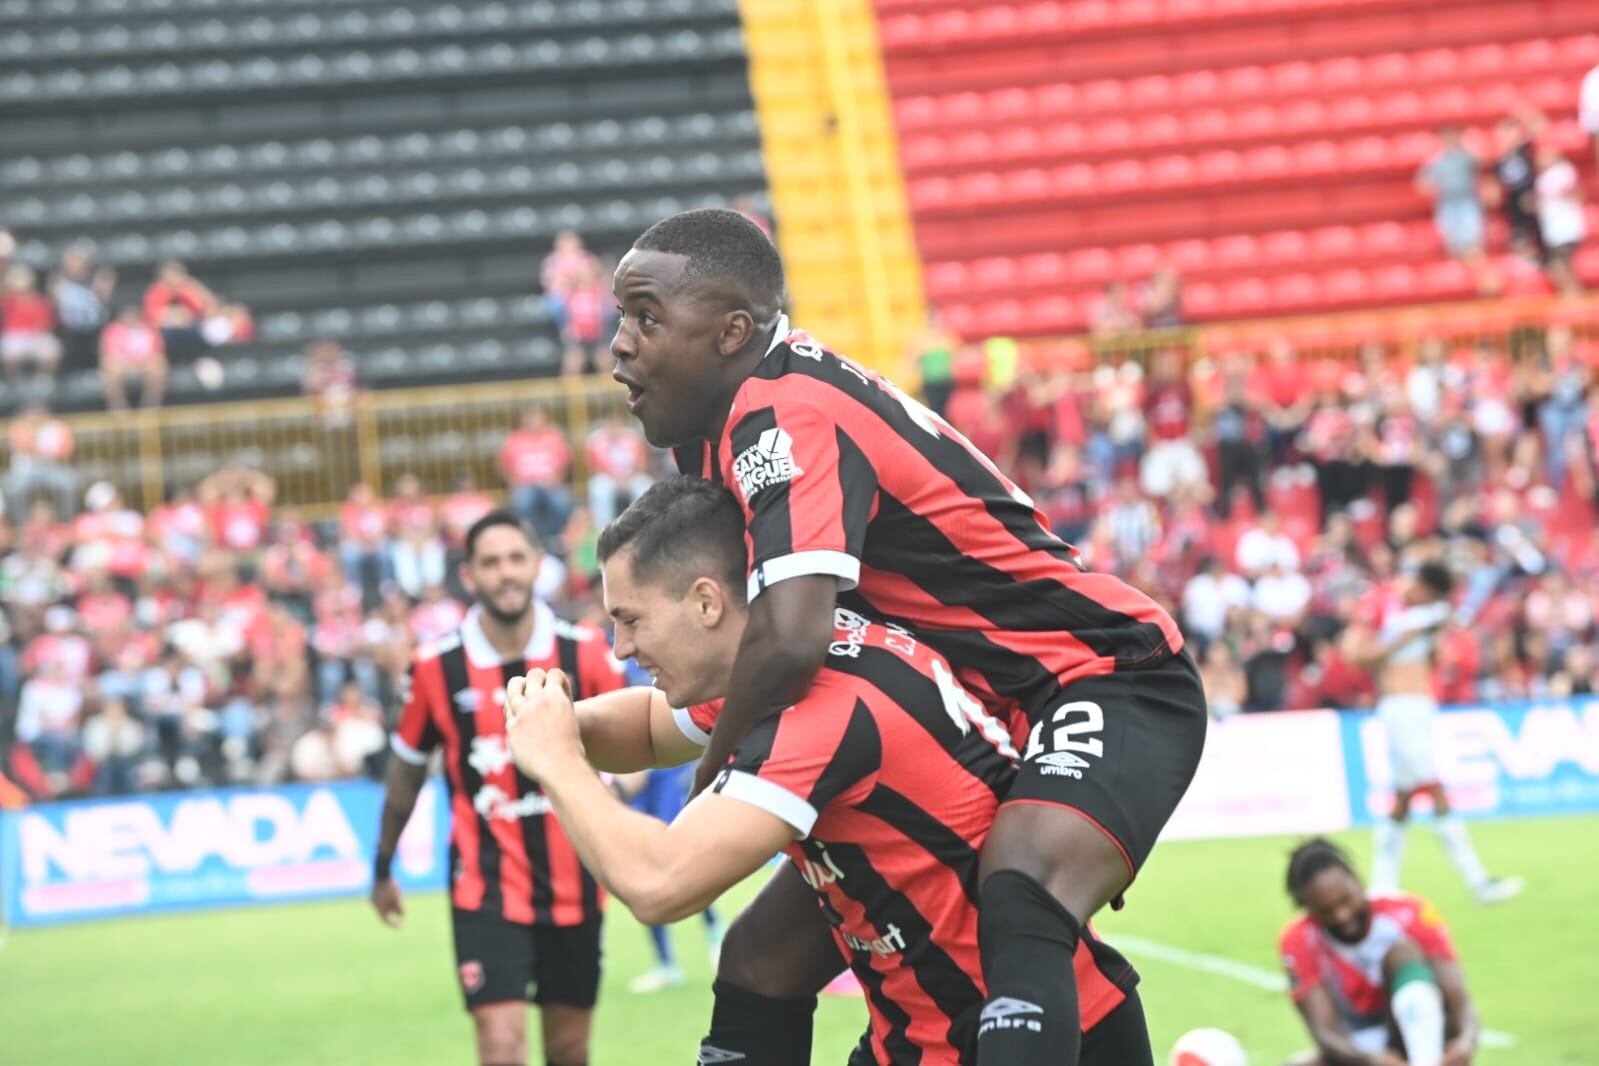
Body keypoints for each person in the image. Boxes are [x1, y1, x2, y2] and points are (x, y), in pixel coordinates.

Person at [608, 208, 1206, 1066]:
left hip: (1098, 674)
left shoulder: (780, 413)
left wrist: (717, 778)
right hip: (954, 713)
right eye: (621, 318)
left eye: (646, 317)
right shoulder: (720, 438)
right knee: (760, 959)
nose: (620, 345)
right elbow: (756, 649)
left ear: (732, 332)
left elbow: (790, 638)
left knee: (1022, 886)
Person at [503, 477, 1151, 1065]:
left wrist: (556, 760)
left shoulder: (819, 712)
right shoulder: (782, 658)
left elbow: (659, 883)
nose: (621, 647)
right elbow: (649, 729)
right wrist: (554, 721)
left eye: (631, 620)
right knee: (754, 956)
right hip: (925, 1034)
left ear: (705, 603)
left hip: (1030, 1037)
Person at [369, 511, 624, 1066]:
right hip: (483, 885)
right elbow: (406, 772)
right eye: (490, 562)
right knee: (500, 1044)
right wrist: (383, 865)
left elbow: (629, 755)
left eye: (515, 559)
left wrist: (622, 806)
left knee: (569, 1050)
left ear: (537, 565)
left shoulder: (585, 652)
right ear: (468, 575)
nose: (505, 573)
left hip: (576, 882)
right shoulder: (435, 666)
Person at [1342, 562, 1521, 904]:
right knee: (1434, 788)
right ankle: (1477, 880)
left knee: (1403, 798)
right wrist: (1400, 640)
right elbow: (1356, 654)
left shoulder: (1425, 616)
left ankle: (1381, 885)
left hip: (1421, 707)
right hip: (1400, 707)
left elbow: (1438, 643)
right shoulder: (1390, 611)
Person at [1281, 838, 1479, 1066]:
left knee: (1402, 952)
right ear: (1307, 907)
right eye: (1326, 911)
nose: (1342, 916)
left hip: (1414, 1037)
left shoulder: (1411, 913)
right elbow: (1325, 1034)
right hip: (1358, 1050)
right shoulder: (1298, 939)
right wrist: (1372, 1060)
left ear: (1358, 880)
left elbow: (1460, 1001)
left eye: (1346, 900)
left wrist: (1465, 1043)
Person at [612, 766, 725, 993]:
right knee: (645, 870)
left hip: (663, 771)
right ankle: (665, 965)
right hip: (632, 774)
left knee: (674, 860)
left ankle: (715, 931)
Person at [1415, 127, 1485, 266]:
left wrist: (1468, 146)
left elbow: (1484, 163)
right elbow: (1421, 183)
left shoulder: (1465, 156)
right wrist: (1433, 188)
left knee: (1472, 241)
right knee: (1453, 243)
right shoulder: (1436, 160)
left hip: (1467, 201)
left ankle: (1476, 268)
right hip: (1447, 203)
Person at [99, 304, 168, 410]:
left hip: (145, 364)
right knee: (110, 367)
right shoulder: (113, 330)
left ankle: (151, 408)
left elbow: (157, 351)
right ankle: (119, 410)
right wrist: (129, 364)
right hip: (122, 365)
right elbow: (111, 353)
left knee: (159, 366)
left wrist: (141, 363)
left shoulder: (149, 329)